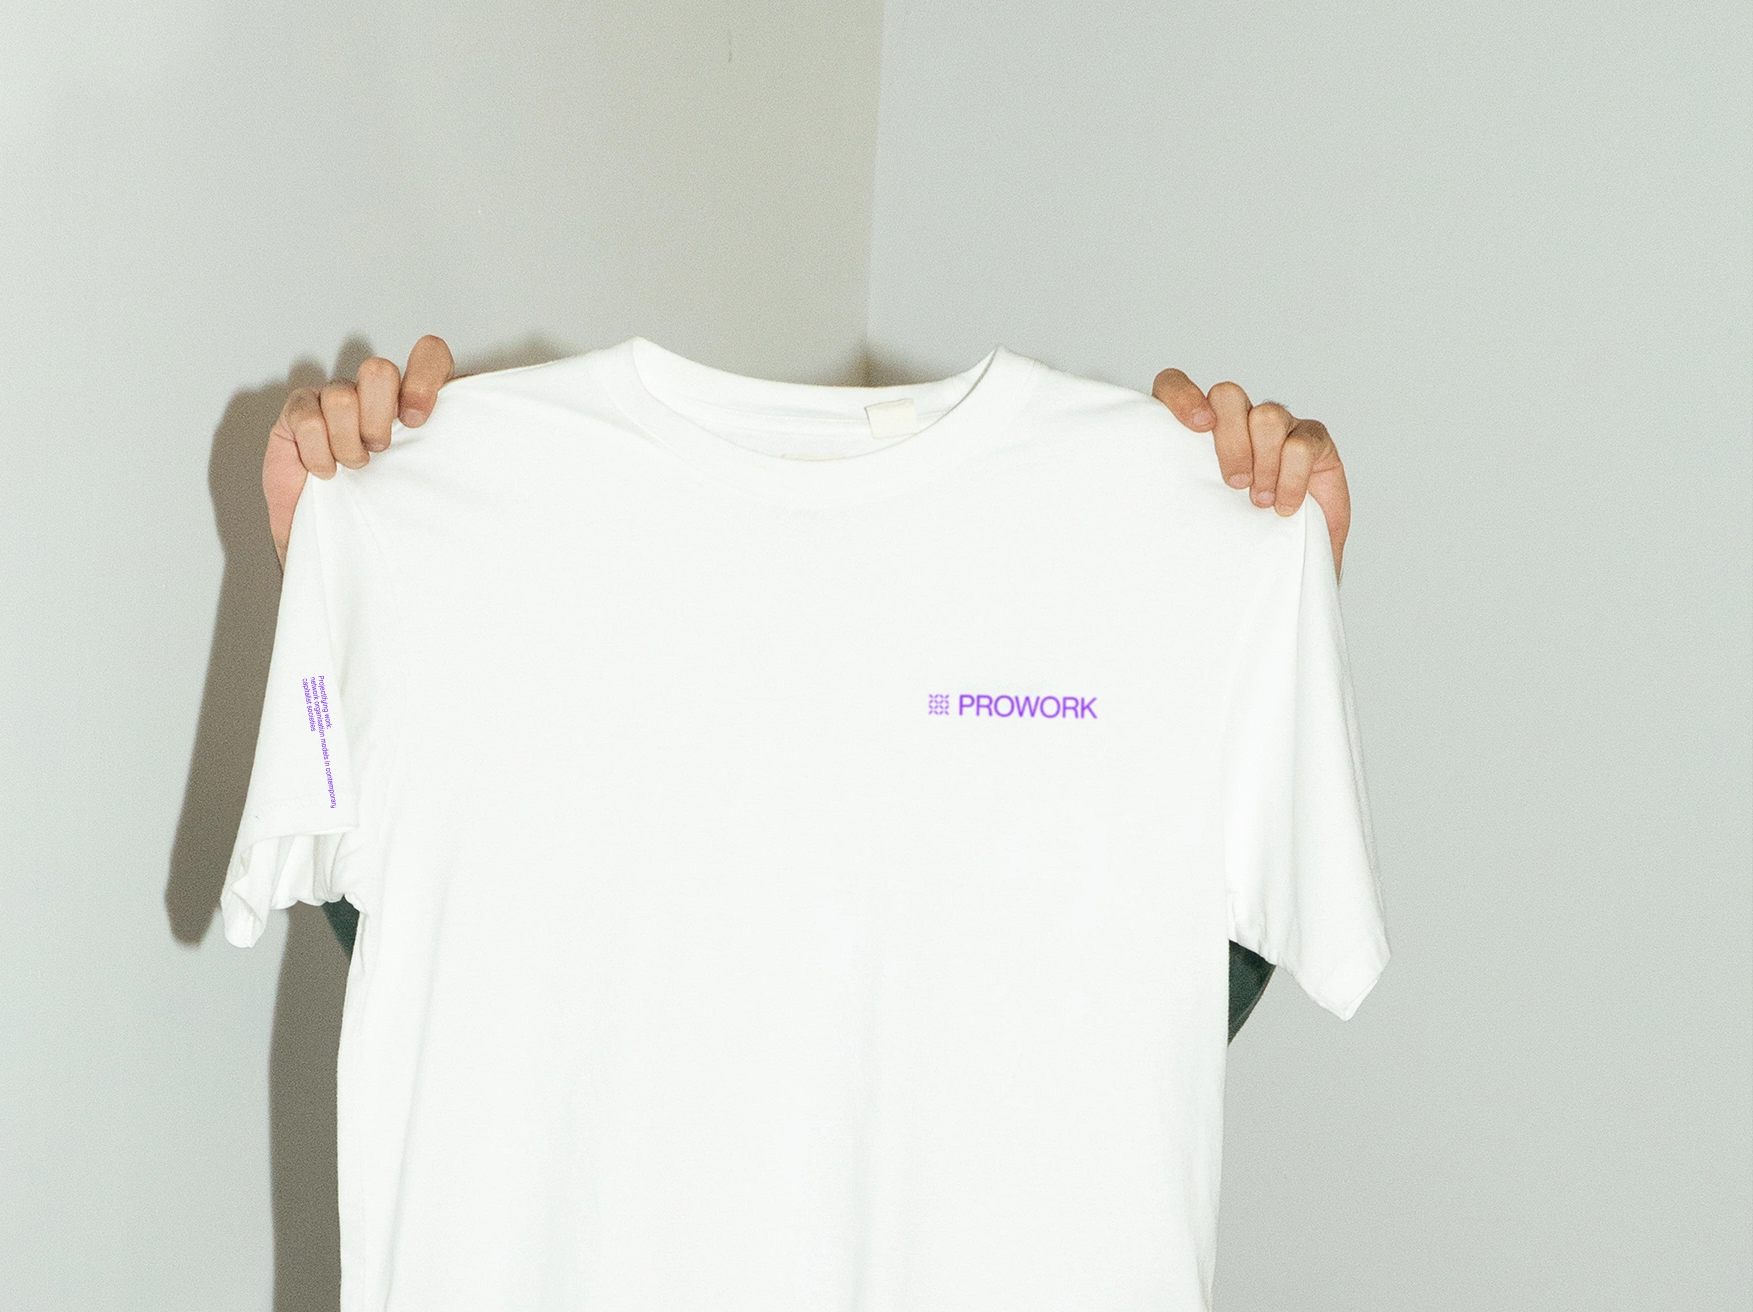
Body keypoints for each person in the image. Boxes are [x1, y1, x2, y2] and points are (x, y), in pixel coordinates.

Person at [263, 335, 1359, 1041]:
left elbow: (1136, 1041)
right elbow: (456, 979)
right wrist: (350, 630)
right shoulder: (506, 558)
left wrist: (1260, 669)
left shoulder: (1126, 565)